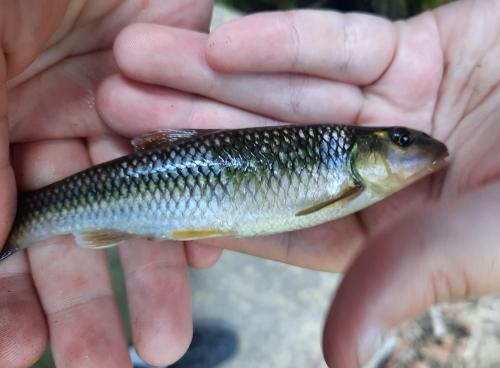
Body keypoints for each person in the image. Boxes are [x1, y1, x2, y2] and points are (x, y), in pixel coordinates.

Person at [1, 0, 499, 367]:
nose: (413, 150)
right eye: (401, 140)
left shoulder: (352, 172)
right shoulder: (345, 173)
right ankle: (26, 219)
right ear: (367, 150)